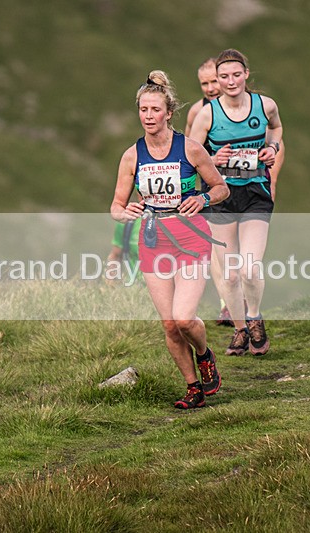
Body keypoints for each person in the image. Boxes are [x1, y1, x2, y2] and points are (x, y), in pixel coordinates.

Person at [110, 70, 230, 409]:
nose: (148, 117)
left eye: (155, 110)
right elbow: (115, 207)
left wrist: (204, 199)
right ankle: (193, 388)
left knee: (184, 318)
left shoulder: (190, 149)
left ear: (168, 113)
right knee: (169, 325)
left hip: (190, 238)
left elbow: (221, 187)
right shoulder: (132, 156)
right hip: (153, 242)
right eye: (143, 110)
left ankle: (205, 356)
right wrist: (127, 211)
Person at [189, 49, 283, 356]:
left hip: (255, 193)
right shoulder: (207, 115)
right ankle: (240, 330)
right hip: (222, 198)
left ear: (246, 74)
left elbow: (276, 129)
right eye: (224, 77)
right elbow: (191, 155)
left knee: (250, 267)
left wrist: (272, 147)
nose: (231, 82)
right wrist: (214, 159)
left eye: (236, 75)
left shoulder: (265, 105)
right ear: (217, 79)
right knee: (229, 273)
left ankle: (254, 318)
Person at [105, 219, 142, 285]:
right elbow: (116, 256)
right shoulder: (127, 221)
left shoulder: (165, 221)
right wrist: (111, 286)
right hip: (136, 287)